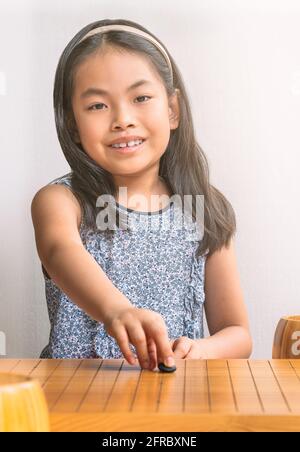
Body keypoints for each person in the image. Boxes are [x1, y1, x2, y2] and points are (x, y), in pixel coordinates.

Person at [31, 18, 252, 370]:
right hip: (72, 402)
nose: (123, 119)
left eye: (141, 98)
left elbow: (237, 333)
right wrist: (117, 310)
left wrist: (199, 351)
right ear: (72, 124)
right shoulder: (61, 201)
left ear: (172, 110)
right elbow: (60, 250)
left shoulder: (204, 208)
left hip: (172, 405)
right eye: (97, 106)